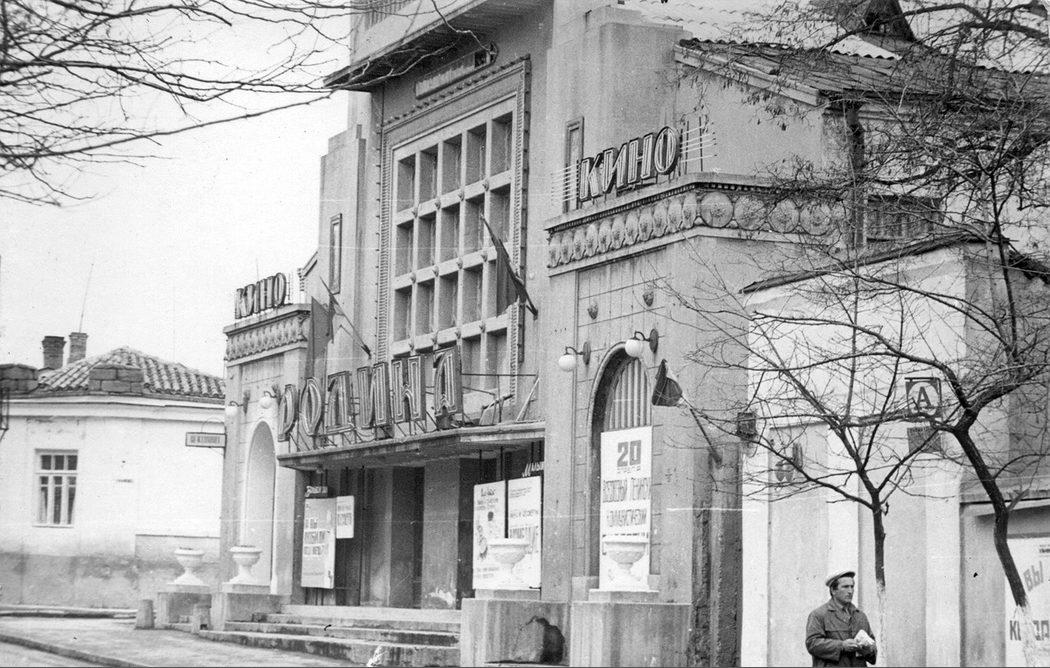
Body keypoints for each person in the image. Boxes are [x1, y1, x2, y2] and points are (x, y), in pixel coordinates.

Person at [805, 569, 877, 667]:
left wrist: (868, 649)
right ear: (833, 590)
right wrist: (841, 645)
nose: (850, 591)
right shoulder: (818, 615)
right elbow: (812, 644)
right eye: (845, 587)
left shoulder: (860, 616)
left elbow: (872, 650)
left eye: (852, 587)